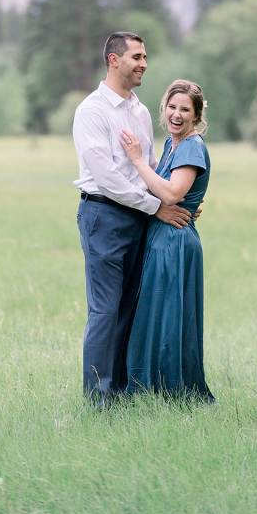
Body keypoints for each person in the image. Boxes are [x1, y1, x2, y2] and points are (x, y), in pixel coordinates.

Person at [73, 32, 193, 406]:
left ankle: (121, 393)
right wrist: (156, 207)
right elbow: (107, 178)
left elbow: (151, 166)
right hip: (104, 216)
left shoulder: (139, 111)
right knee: (105, 311)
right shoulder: (92, 111)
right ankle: (98, 401)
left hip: (139, 218)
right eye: (137, 57)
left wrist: (177, 197)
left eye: (144, 57)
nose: (144, 64)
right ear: (114, 60)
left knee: (129, 308)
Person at [120, 79, 215, 402]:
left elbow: (173, 193)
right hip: (163, 237)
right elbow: (169, 189)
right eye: (172, 107)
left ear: (196, 115)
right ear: (164, 108)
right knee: (158, 314)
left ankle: (169, 391)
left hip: (174, 241)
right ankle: (154, 389)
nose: (176, 114)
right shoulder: (172, 145)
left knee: (169, 318)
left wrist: (136, 160)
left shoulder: (190, 146)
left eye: (185, 109)